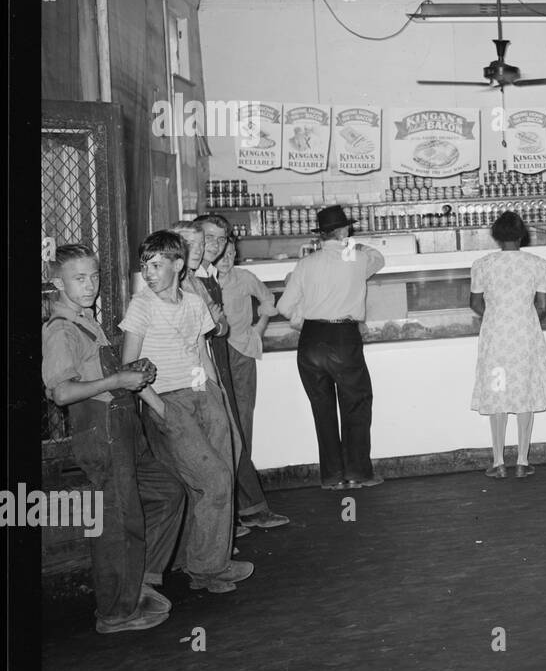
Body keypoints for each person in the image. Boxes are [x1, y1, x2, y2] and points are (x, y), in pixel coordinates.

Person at [41, 245, 181, 633]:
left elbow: (99, 373)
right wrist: (119, 379)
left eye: (94, 276)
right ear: (57, 283)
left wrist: (132, 370)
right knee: (116, 521)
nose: (91, 286)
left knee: (168, 492)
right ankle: (116, 612)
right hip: (100, 429)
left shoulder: (87, 319)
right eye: (79, 279)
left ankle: (142, 582)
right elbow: (62, 393)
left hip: (122, 426)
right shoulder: (60, 330)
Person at [120, 231, 252, 594]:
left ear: (178, 265)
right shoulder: (141, 305)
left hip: (202, 394)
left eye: (157, 265)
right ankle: (208, 570)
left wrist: (216, 396)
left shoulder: (193, 302)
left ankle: (210, 562)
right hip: (168, 400)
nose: (148, 272)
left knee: (221, 474)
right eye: (145, 265)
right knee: (214, 481)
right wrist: (161, 407)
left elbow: (201, 352)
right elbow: (129, 368)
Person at [277, 205, 385, 490]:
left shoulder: (306, 263)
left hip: (311, 340)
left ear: (321, 234)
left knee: (322, 409)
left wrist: (306, 313)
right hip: (343, 337)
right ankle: (357, 473)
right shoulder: (357, 257)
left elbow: (284, 306)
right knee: (356, 405)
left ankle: (332, 477)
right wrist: (355, 244)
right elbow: (378, 258)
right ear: (344, 231)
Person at [195, 214, 289, 530]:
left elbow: (268, 300)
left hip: (240, 353)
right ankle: (238, 509)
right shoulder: (200, 278)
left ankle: (243, 508)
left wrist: (257, 330)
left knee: (239, 425)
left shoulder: (238, 277)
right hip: (210, 362)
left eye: (228, 246)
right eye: (215, 244)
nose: (223, 252)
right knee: (224, 431)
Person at [469, 211, 546, 478]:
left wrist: (497, 315)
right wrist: (522, 316)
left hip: (495, 338)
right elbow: (542, 306)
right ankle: (521, 461)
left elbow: (474, 303)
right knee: (524, 392)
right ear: (522, 235)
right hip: (525, 337)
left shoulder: (482, 264)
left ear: (496, 236)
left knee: (498, 394)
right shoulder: (538, 263)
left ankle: (497, 462)